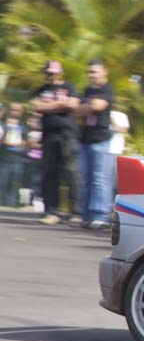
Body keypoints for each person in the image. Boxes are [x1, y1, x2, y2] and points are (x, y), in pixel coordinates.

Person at [30, 59, 80, 225]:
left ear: (60, 72)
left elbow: (73, 104)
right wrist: (61, 104)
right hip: (49, 136)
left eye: (54, 72)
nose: (52, 75)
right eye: (49, 72)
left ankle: (76, 211)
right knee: (49, 174)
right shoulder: (41, 89)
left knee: (71, 172)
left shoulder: (69, 87)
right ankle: (51, 211)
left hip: (68, 135)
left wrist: (50, 105)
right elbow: (37, 107)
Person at [76, 59, 116, 229]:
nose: (91, 75)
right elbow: (76, 111)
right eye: (89, 72)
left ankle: (101, 215)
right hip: (85, 139)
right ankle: (87, 215)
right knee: (86, 179)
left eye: (94, 71)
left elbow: (98, 106)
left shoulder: (108, 89)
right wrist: (87, 106)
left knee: (100, 179)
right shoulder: (88, 90)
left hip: (101, 139)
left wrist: (86, 106)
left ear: (104, 71)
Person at [0, 103, 27, 207]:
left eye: (17, 110)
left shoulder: (23, 126)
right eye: (13, 110)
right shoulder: (3, 125)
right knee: (2, 183)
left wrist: (22, 143)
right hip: (4, 157)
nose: (15, 112)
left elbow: (26, 141)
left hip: (18, 159)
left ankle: (10, 206)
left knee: (14, 184)